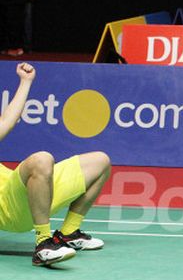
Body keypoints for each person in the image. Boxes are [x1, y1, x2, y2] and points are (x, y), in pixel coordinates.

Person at [0, 63, 112, 267]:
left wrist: (26, 81)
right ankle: (43, 243)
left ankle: (68, 233)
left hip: (37, 195)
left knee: (100, 162)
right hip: (10, 208)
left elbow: (6, 120)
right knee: (41, 160)